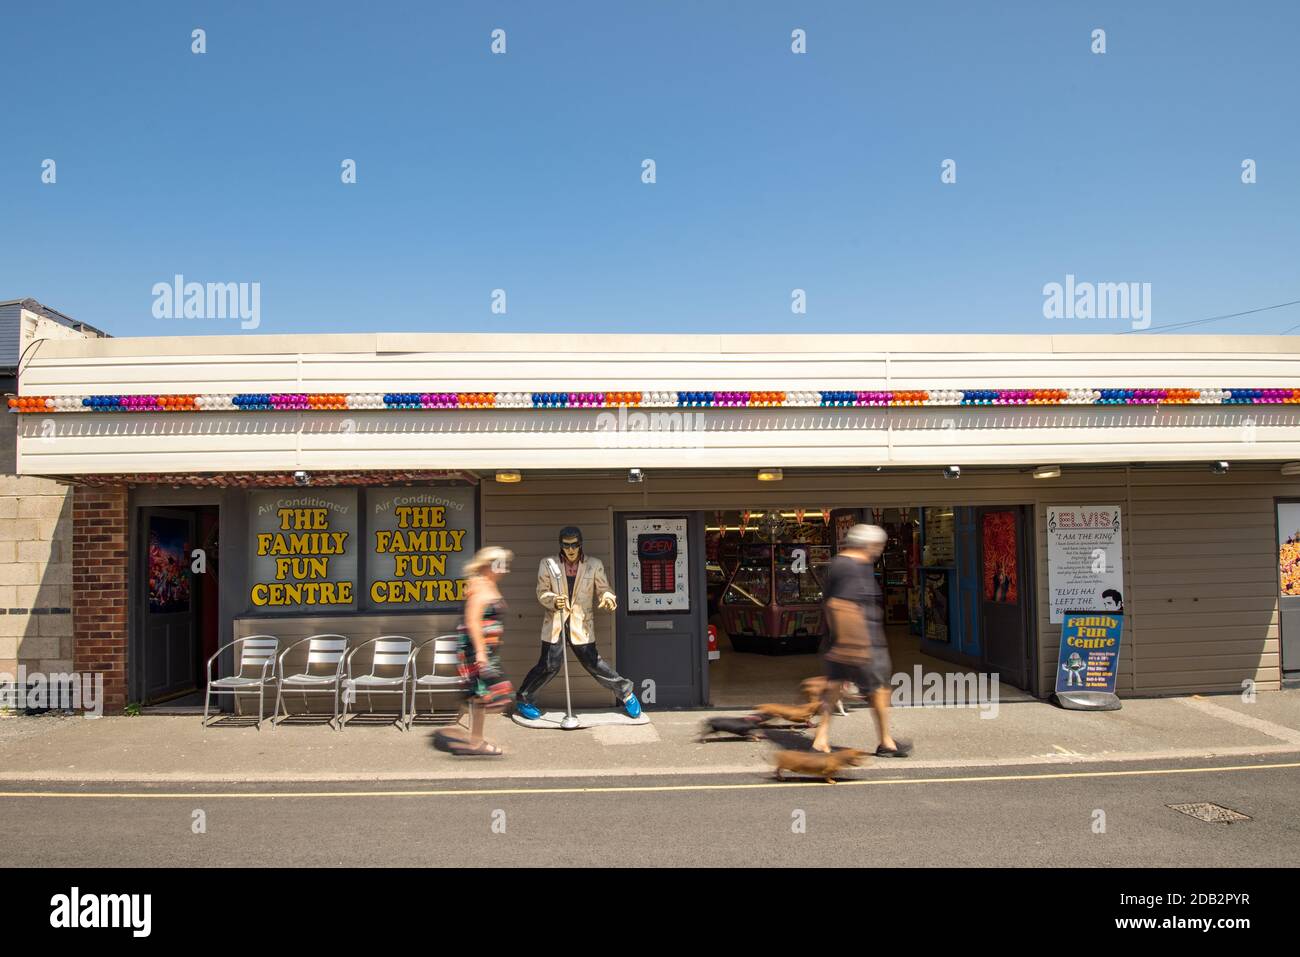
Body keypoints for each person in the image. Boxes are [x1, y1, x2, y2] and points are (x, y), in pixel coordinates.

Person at [515, 526, 641, 720]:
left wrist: (608, 597)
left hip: (581, 624)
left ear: (580, 544)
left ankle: (626, 694)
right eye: (566, 545)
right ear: (561, 545)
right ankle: (524, 699)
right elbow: (542, 591)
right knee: (549, 664)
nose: (571, 549)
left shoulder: (594, 564)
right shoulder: (548, 564)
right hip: (556, 622)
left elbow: (604, 588)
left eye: (574, 545)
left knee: (594, 663)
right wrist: (552, 599)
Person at [812, 524, 911, 758]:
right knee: (879, 690)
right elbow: (842, 605)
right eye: (879, 546)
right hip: (862, 642)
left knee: (833, 688)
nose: (880, 550)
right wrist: (854, 646)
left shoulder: (839, 562)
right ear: (870, 545)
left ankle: (820, 740)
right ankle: (886, 742)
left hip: (841, 642)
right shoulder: (853, 567)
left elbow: (831, 604)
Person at [451, 546, 515, 756]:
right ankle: (473, 740)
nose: (504, 569)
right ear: (488, 565)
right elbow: (473, 621)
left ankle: (471, 738)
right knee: (490, 696)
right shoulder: (479, 586)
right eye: (500, 564)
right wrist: (480, 652)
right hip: (476, 650)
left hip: (486, 649)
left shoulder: (489, 584)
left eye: (505, 564)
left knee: (481, 695)